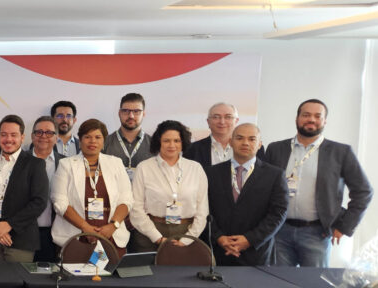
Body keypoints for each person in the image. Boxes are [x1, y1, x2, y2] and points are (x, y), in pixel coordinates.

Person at [265, 99, 373, 267]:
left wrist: (345, 226)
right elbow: (263, 188)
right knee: (279, 281)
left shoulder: (340, 152)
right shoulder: (275, 149)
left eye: (317, 116)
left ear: (324, 121)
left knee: (314, 282)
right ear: (297, 118)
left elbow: (364, 191)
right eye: (306, 115)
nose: (311, 119)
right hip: (279, 232)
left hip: (317, 234)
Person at [207, 123, 288, 266]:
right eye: (239, 138)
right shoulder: (211, 173)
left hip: (257, 253)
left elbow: (278, 213)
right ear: (230, 142)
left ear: (259, 144)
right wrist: (219, 237)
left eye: (252, 139)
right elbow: (205, 210)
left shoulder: (275, 175)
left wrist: (250, 240)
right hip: (219, 251)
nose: (245, 143)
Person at [51, 119, 133, 257]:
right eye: (87, 137)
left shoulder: (116, 163)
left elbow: (126, 199)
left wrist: (113, 226)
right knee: (75, 271)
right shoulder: (66, 165)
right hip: (76, 236)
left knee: (111, 271)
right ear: (80, 140)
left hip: (111, 236)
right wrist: (86, 228)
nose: (92, 141)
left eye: (97, 137)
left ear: (104, 141)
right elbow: (60, 202)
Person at [0, 115, 48, 262]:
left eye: (13, 135)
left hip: (21, 239)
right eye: (4, 135)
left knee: (17, 277)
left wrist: (9, 225)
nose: (8, 139)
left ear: (22, 137)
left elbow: (39, 202)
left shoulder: (35, 165)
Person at [129, 120, 209, 252]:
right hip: (149, 233)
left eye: (177, 141)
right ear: (158, 142)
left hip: (186, 233)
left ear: (183, 142)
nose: (172, 145)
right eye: (166, 141)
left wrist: (187, 239)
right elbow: (136, 207)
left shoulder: (195, 168)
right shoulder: (144, 167)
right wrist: (157, 237)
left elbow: (202, 210)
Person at [184, 102, 265, 172]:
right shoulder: (192, 149)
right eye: (216, 117)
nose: (222, 122)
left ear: (236, 121)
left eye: (228, 117)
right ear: (208, 122)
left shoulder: (255, 148)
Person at [28, 115, 63, 262]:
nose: (43, 136)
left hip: (54, 233)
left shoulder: (66, 163)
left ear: (56, 137)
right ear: (32, 136)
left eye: (49, 133)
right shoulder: (20, 161)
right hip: (24, 231)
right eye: (39, 132)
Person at [103, 92, 153, 181]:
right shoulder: (105, 143)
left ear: (143, 114)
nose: (131, 116)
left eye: (136, 111)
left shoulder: (154, 145)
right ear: (119, 113)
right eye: (126, 111)